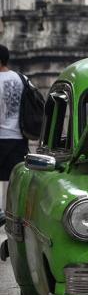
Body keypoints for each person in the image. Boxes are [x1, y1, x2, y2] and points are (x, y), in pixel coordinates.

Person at [0, 44, 28, 208]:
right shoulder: (22, 78)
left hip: (1, 137)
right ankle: (12, 213)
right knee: (15, 180)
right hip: (18, 138)